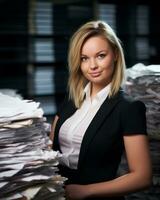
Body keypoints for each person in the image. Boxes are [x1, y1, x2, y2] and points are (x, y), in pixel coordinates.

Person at [50, 20, 152, 200]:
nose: (92, 66)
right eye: (84, 58)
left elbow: (142, 177)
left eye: (100, 55)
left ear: (115, 55)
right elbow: (50, 151)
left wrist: (86, 191)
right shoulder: (71, 99)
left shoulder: (128, 108)